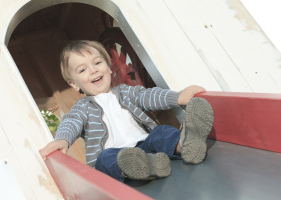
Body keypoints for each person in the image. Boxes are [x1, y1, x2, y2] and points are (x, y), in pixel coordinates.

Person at [40, 40, 214, 182]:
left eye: (97, 63)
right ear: (74, 83)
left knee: (161, 132)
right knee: (105, 158)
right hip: (119, 160)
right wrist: (63, 139)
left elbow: (149, 96)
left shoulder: (126, 92)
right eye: (83, 70)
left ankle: (186, 145)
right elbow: (71, 121)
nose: (93, 70)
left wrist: (177, 97)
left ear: (109, 67)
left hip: (146, 146)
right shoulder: (82, 107)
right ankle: (143, 167)